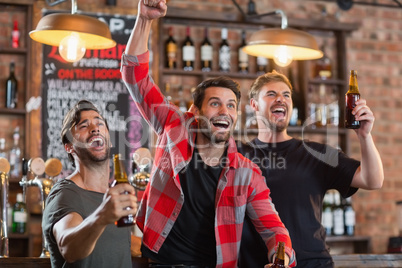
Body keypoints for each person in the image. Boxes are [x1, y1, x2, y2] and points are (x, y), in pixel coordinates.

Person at [120, 1, 296, 267]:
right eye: (215, 103)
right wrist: (144, 19)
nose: (224, 111)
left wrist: (281, 258)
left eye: (231, 105)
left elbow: (274, 229)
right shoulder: (173, 127)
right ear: (195, 111)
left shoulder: (247, 173)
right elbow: (135, 76)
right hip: (157, 262)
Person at [238, 70, 384, 268]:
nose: (281, 99)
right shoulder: (238, 155)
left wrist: (365, 136)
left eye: (286, 95)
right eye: (271, 94)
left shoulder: (317, 152)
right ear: (254, 104)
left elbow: (372, 180)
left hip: (312, 263)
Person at [42, 100, 138, 268]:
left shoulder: (113, 197)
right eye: (83, 126)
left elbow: (120, 245)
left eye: (99, 123)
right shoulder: (65, 194)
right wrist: (102, 216)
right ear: (69, 147)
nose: (95, 128)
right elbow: (68, 247)